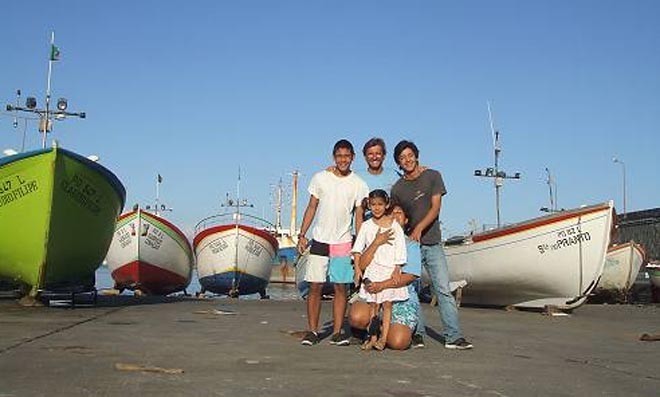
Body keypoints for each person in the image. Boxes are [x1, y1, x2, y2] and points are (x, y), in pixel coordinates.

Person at [390, 140, 473, 350]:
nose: (407, 160)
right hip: (411, 246)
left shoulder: (433, 176)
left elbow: (436, 208)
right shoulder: (398, 188)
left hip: (433, 243)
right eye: (402, 158)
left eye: (410, 155)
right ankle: (417, 333)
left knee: (443, 289)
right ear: (398, 163)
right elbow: (396, 216)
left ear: (416, 156)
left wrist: (419, 228)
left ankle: (453, 336)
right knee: (412, 290)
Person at [297, 139, 369, 347]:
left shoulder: (359, 184)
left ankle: (337, 332)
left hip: (343, 242)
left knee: (340, 287)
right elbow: (312, 207)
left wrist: (359, 244)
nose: (343, 159)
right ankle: (312, 331)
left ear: (353, 157)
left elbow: (359, 215)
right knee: (315, 286)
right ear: (334, 157)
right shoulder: (320, 178)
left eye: (347, 155)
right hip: (319, 240)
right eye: (339, 155)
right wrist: (302, 234)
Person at [348, 202, 422, 350]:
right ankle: (373, 332)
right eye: (391, 213)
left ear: (406, 220)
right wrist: (376, 243)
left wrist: (382, 285)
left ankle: (388, 332)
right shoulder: (371, 234)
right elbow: (361, 265)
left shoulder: (410, 245)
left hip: (400, 296)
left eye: (399, 213)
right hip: (373, 292)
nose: (394, 216)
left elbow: (409, 276)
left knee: (398, 342)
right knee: (357, 317)